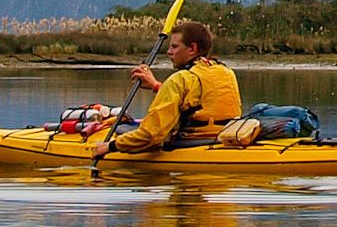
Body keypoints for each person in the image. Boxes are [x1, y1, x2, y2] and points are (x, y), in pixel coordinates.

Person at [96, 21, 243, 152]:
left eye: (174, 46)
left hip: (191, 141)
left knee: (122, 129)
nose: (169, 52)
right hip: (223, 135)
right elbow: (194, 101)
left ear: (192, 48)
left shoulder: (180, 79)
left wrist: (111, 146)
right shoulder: (226, 72)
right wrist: (155, 86)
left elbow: (151, 135)